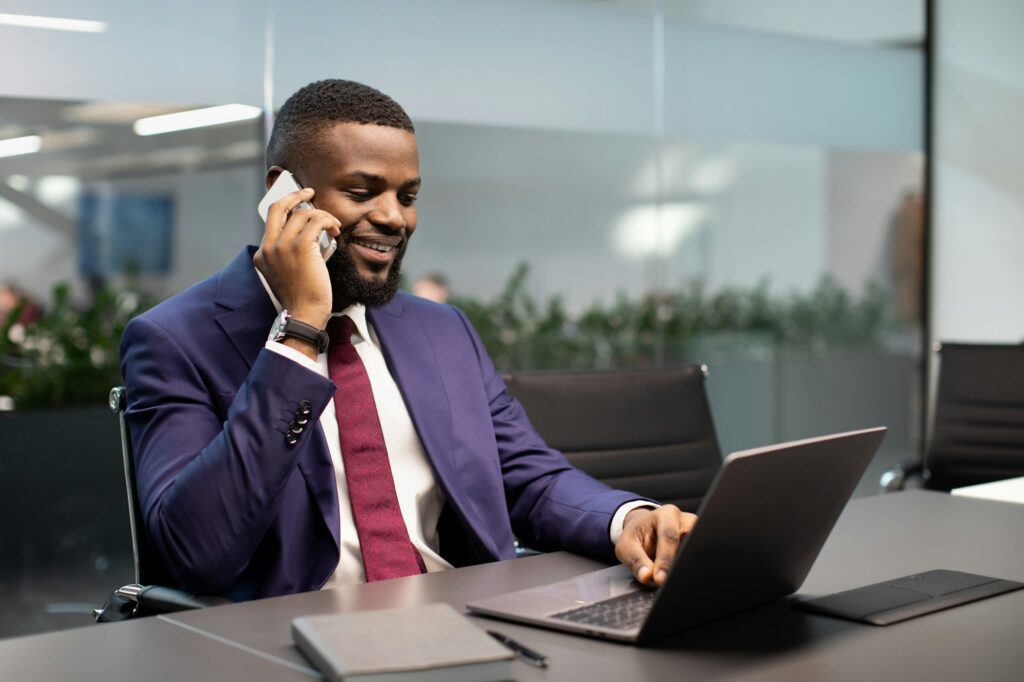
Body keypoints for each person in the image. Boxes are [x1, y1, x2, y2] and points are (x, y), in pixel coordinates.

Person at [120, 79, 695, 601]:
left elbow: (529, 478)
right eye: (363, 191)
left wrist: (627, 520)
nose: (395, 218)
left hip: (464, 622)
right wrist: (300, 331)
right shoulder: (175, 340)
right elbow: (195, 552)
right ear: (284, 194)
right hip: (289, 641)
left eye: (407, 195)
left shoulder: (442, 331)